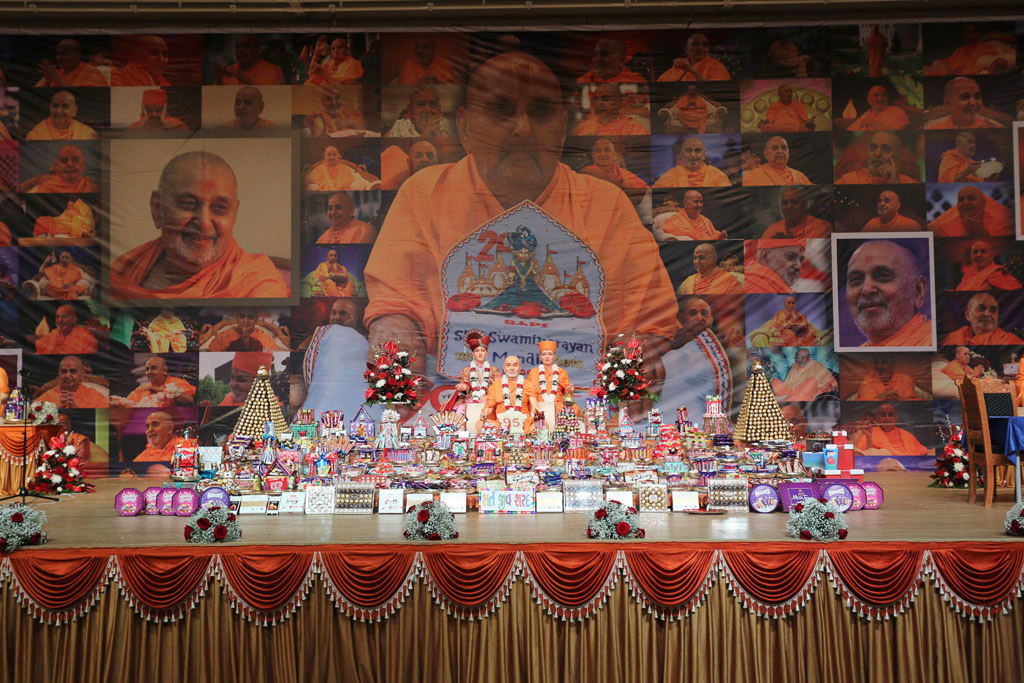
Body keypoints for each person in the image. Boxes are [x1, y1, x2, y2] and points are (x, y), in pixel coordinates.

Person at [363, 52, 680, 416]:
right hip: (451, 387)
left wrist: (637, 349)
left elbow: (646, 320)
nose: (523, 129)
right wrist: (396, 340)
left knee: (683, 377)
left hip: (576, 392)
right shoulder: (425, 192)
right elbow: (396, 305)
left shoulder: (606, 203)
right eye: (501, 110)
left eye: (540, 112)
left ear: (562, 128)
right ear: (464, 126)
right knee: (355, 360)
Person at [109, 151, 290, 300]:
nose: (204, 223)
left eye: (219, 208)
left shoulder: (256, 283)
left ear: (234, 214)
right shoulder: (124, 272)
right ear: (157, 208)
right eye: (188, 204)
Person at [845, 240, 932, 347]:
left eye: (883, 276)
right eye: (856, 279)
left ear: (918, 290)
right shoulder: (859, 352)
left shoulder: (932, 342)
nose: (866, 290)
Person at [578, 137, 649, 208]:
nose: (602, 154)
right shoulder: (586, 172)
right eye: (598, 151)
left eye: (607, 150)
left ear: (614, 154)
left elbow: (643, 188)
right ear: (593, 155)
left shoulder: (623, 173)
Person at [924, 23, 1015, 76]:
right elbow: (949, 63)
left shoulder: (986, 46)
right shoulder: (960, 50)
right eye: (968, 32)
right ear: (964, 35)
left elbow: (998, 60)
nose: (971, 35)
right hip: (946, 70)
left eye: (974, 32)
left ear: (978, 33)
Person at [477, 355, 536, 433]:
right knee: (480, 424)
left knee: (542, 425)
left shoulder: (527, 384)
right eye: (508, 365)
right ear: (504, 368)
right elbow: (490, 406)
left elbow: (535, 407)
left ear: (520, 368)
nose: (512, 368)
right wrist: (485, 413)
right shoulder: (496, 385)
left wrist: (540, 416)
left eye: (515, 365)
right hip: (501, 423)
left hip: (523, 423)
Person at [835, 131, 919, 184]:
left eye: (886, 149)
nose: (877, 154)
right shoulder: (847, 181)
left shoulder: (911, 182)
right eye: (873, 148)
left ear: (899, 156)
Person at [928, 186, 1012, 237]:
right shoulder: (944, 228)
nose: (965, 203)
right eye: (961, 200)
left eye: (971, 198)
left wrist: (981, 231)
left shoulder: (1001, 225)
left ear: (983, 203)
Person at [940, 293, 1023, 345]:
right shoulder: (954, 337)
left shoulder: (1010, 340)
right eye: (981, 309)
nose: (987, 314)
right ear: (968, 314)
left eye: (993, 310)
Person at [925, 77, 1003, 129]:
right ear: (947, 101)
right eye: (965, 96)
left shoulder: (994, 127)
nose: (973, 102)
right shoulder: (932, 127)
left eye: (977, 96)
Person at [115, 356, 196, 408]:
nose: (149, 372)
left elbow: (191, 400)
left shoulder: (177, 382)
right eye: (147, 369)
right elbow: (126, 404)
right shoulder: (142, 389)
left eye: (153, 368)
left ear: (164, 370)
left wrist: (158, 389)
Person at [853, 402, 929, 456]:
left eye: (890, 414)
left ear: (896, 418)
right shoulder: (870, 433)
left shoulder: (906, 434)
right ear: (878, 418)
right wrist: (869, 438)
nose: (887, 418)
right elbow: (859, 453)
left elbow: (922, 452)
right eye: (883, 415)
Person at [571, 83, 648, 136]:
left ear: (618, 102)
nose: (599, 103)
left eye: (605, 98)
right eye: (596, 99)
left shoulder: (633, 128)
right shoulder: (584, 127)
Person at [654, 136, 731, 188]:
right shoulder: (672, 174)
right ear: (682, 155)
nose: (693, 155)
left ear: (704, 154)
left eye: (697, 151)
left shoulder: (719, 176)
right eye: (688, 150)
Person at [20, 145, 99, 194]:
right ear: (58, 165)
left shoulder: (94, 186)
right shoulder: (46, 187)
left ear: (83, 164)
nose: (70, 164)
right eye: (64, 160)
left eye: (75, 159)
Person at [526, 340, 576, 417]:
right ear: (540, 356)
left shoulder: (561, 372)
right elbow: (527, 391)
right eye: (544, 354)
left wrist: (569, 391)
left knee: (575, 409)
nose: (547, 357)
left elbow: (566, 393)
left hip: (557, 404)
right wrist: (532, 388)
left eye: (550, 354)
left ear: (554, 356)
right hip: (538, 404)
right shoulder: (533, 371)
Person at [35, 355, 107, 408]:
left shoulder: (93, 395)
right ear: (58, 375)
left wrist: (76, 409)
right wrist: (57, 410)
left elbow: (104, 418)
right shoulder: (49, 395)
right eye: (64, 371)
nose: (68, 376)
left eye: (73, 371)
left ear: (82, 375)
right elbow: (31, 415)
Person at [451, 331, 499, 410]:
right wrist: (464, 386)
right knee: (460, 408)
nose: (480, 353)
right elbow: (466, 383)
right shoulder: (466, 370)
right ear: (473, 353)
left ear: (486, 353)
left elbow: (496, 387)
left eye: (482, 351)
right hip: (470, 399)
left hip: (488, 399)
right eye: (477, 351)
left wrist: (486, 397)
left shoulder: (494, 370)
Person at [385, 85, 457, 138]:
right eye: (420, 104)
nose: (427, 110)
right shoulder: (394, 134)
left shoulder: (453, 132)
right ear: (410, 109)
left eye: (432, 104)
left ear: (439, 109)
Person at [654, 190, 725, 242]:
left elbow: (715, 235)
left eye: (701, 202)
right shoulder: (676, 219)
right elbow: (664, 232)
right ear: (685, 203)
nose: (699, 205)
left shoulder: (705, 220)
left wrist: (720, 236)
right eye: (696, 202)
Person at [25, 91, 98, 141]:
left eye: (65, 107)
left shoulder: (87, 133)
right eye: (55, 106)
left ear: (74, 110)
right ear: (50, 107)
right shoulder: (36, 134)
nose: (59, 111)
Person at [657, 33, 731, 81]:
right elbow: (661, 86)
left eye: (704, 45)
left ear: (708, 49)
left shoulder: (717, 67)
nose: (700, 48)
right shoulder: (679, 66)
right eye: (695, 44)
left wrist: (692, 70)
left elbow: (716, 90)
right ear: (686, 49)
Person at [215, 35, 285, 86]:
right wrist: (219, 79)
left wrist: (243, 78)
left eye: (245, 46)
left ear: (256, 49)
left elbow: (273, 98)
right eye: (237, 47)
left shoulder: (273, 71)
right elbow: (217, 98)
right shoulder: (229, 70)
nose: (240, 50)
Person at [35, 38, 108, 87]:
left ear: (77, 55)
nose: (58, 57)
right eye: (58, 53)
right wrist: (47, 82)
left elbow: (87, 98)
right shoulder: (56, 73)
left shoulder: (91, 73)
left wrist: (57, 79)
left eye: (63, 53)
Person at [770, 348, 836, 401]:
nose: (799, 360)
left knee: (811, 381)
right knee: (775, 381)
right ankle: (788, 397)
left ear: (809, 357)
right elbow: (788, 383)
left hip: (807, 393)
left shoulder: (817, 366)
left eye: (802, 357)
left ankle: (786, 398)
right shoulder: (795, 365)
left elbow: (833, 383)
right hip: (791, 391)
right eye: (797, 357)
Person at [304, 145, 380, 191]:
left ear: (338, 156)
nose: (331, 157)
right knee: (313, 187)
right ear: (324, 157)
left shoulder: (345, 168)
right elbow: (313, 180)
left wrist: (347, 185)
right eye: (329, 155)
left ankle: (370, 187)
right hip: (324, 189)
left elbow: (350, 181)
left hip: (343, 189)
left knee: (357, 184)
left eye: (334, 155)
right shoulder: (319, 168)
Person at [761, 188, 830, 238]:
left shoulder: (822, 227)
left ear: (805, 205)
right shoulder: (772, 231)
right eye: (785, 203)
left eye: (794, 202)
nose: (789, 207)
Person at [742, 136, 812, 186]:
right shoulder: (753, 176)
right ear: (766, 154)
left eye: (784, 148)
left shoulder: (799, 176)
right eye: (775, 148)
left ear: (788, 152)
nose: (780, 151)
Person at [677, 243, 742, 295]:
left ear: (713, 259)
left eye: (701, 257)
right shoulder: (688, 281)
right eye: (695, 258)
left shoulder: (729, 279)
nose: (697, 261)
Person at [955, 240, 1022, 291]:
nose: (978, 255)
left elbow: (1017, 290)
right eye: (975, 252)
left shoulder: (995, 272)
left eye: (983, 251)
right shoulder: (968, 275)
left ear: (991, 256)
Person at [207, 309, 282, 351]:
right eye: (242, 316)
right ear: (237, 318)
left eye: (250, 317)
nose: (246, 321)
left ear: (255, 320)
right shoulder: (224, 336)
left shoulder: (264, 338)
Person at [577, 38, 645, 83]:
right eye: (595, 55)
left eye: (604, 54)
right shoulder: (584, 80)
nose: (597, 59)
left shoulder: (636, 81)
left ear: (622, 59)